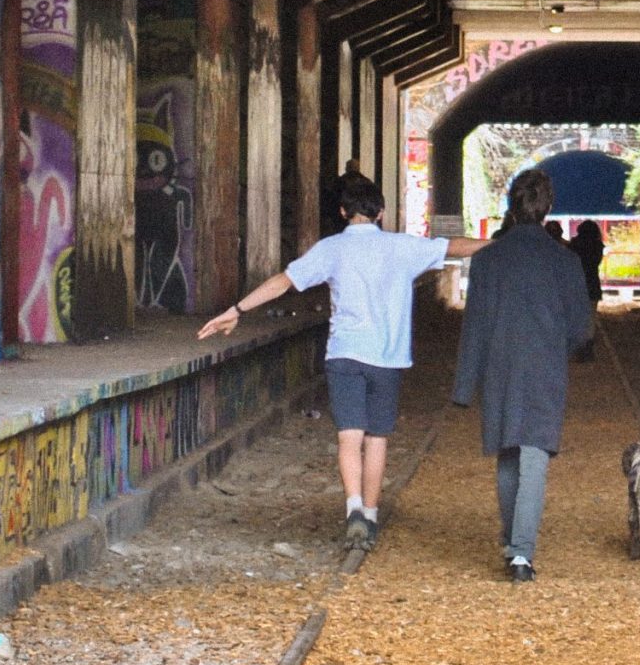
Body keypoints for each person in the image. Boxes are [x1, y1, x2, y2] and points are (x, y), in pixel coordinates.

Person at [199, 171, 485, 548]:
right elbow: (453, 248)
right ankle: (369, 514)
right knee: (377, 438)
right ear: (381, 212)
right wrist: (503, 241)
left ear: (342, 211)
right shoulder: (402, 247)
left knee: (349, 435)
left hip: (344, 355)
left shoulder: (331, 248)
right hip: (387, 358)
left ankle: (352, 508)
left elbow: (284, 281)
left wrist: (236, 308)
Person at [452, 168, 593, 582]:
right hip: (544, 365)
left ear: (512, 206)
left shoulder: (489, 258)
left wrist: (464, 385)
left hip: (500, 363)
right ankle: (521, 553)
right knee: (535, 454)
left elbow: (474, 323)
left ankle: (512, 539)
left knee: (508, 450)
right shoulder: (565, 261)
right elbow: (581, 326)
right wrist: (559, 349)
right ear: (548, 208)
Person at [568, 219, 607, 362]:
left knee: (577, 317)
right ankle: (588, 347)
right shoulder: (598, 246)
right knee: (590, 318)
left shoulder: (574, 245)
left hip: (577, 285)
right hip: (592, 284)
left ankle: (578, 346)